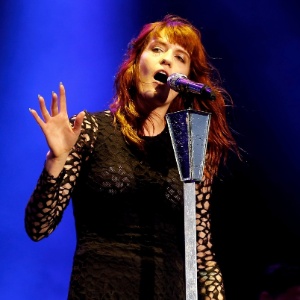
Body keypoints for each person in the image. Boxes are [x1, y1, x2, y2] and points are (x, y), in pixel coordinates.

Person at [25, 14, 239, 299]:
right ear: (137, 64)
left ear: (187, 80)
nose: (166, 61)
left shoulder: (191, 147)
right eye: (157, 49)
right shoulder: (90, 130)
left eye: (179, 56)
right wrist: (56, 159)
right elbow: (38, 227)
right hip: (101, 288)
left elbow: (202, 253)